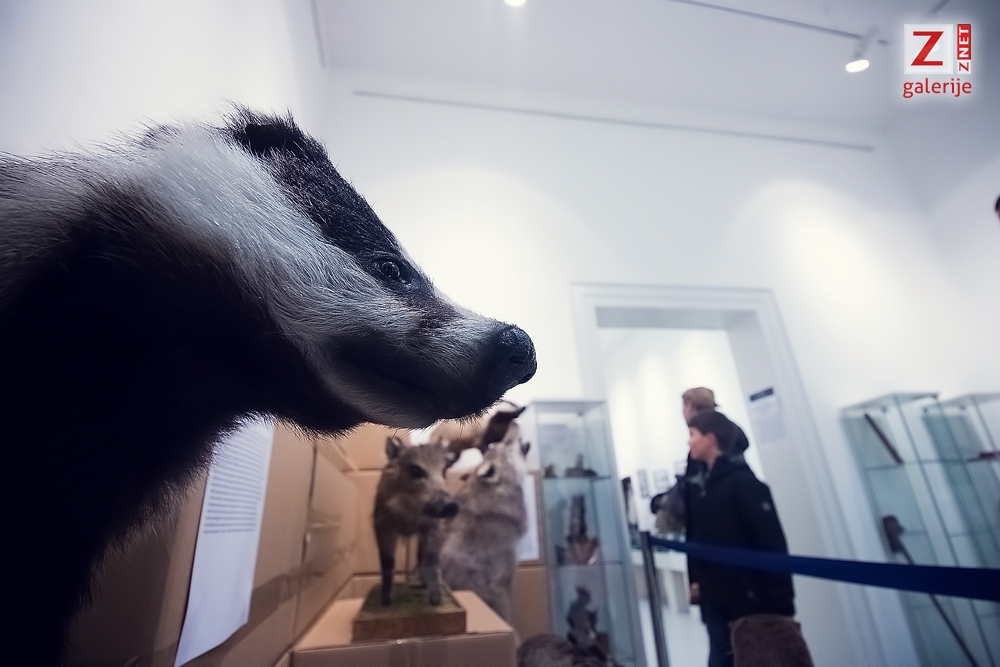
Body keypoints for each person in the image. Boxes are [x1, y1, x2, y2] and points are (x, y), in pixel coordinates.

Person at [685, 410, 795, 667]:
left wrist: (781, 604)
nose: (688, 442)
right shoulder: (704, 489)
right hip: (717, 597)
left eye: (692, 434)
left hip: (746, 601)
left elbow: (771, 543)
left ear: (710, 439)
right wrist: (698, 580)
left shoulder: (744, 485)